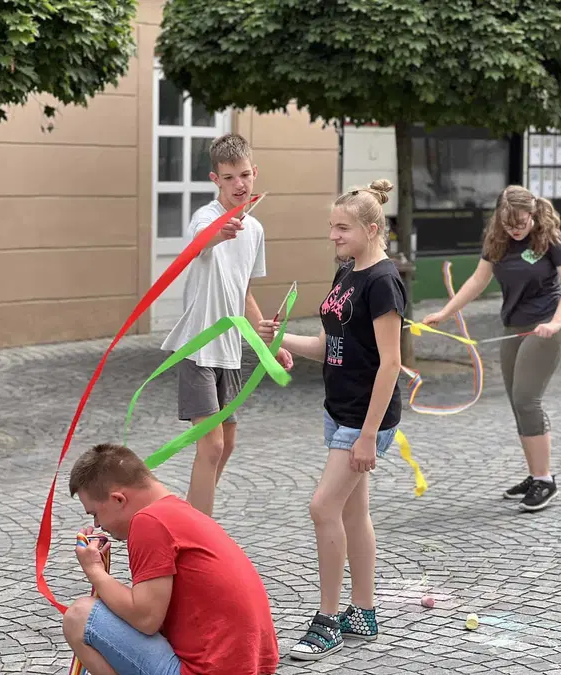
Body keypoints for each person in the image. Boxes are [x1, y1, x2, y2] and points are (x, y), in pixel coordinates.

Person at [258, 179, 405, 660]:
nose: (333, 236)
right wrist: (283, 344)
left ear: (371, 227)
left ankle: (327, 619)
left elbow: (389, 363)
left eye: (342, 228)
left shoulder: (383, 281)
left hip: (364, 418)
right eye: (331, 228)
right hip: (338, 409)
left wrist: (367, 437)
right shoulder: (347, 272)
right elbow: (330, 346)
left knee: (323, 507)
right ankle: (362, 610)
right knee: (352, 513)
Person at [422, 185, 561, 513]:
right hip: (515, 325)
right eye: (509, 225)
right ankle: (534, 474)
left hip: (549, 324)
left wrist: (556, 322)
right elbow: (478, 281)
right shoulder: (497, 240)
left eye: (521, 223)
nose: (516, 230)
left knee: (527, 398)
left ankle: (545, 480)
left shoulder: (552, 239)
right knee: (516, 401)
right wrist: (446, 312)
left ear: (533, 213)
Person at [160, 133, 293, 518]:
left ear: (255, 173)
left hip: (230, 350)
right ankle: (198, 529)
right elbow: (200, 243)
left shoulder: (255, 230)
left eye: (246, 175)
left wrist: (268, 343)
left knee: (228, 442)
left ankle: (189, 515)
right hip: (198, 346)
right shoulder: (205, 218)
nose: (240, 184)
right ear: (215, 179)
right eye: (230, 177)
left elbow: (243, 291)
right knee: (212, 445)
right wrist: (220, 232)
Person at [62, 443, 279, 675]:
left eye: (95, 513)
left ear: (118, 499)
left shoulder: (149, 522)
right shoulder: (178, 511)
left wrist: (94, 570)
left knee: (79, 616)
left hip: (206, 671)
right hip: (252, 668)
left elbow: (145, 618)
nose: (97, 525)